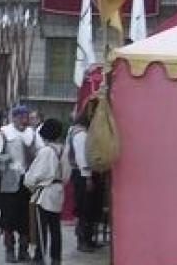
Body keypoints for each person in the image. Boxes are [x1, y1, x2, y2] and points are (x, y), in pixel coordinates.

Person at [0, 105, 38, 263]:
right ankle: (9, 250)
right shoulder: (4, 133)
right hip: (9, 180)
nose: (24, 120)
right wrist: (2, 158)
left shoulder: (32, 134)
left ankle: (23, 250)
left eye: (25, 117)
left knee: (26, 218)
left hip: (28, 181)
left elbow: (41, 151)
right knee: (8, 217)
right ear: (14, 117)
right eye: (21, 117)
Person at [24, 119, 66, 265]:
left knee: (41, 227)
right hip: (58, 190)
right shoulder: (63, 150)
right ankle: (56, 257)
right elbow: (67, 174)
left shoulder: (46, 151)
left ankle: (39, 256)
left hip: (45, 192)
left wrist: (29, 183)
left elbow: (35, 174)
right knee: (55, 227)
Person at [67, 101, 103, 253]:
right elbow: (82, 156)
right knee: (84, 208)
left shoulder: (79, 130)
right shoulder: (80, 132)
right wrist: (88, 176)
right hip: (82, 175)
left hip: (84, 174)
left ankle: (88, 239)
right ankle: (83, 240)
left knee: (90, 207)